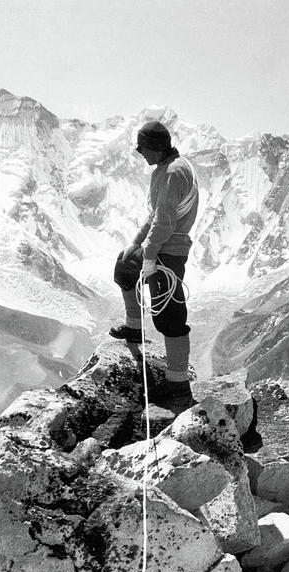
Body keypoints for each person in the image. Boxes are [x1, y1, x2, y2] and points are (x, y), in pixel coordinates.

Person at [110, 120, 198, 399]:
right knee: (125, 267)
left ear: (157, 147)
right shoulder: (164, 169)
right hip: (161, 246)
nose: (142, 155)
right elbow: (156, 214)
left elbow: (165, 221)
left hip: (170, 251)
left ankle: (178, 384)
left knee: (169, 317)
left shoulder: (174, 172)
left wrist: (148, 256)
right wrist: (136, 245)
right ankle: (134, 329)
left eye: (144, 149)